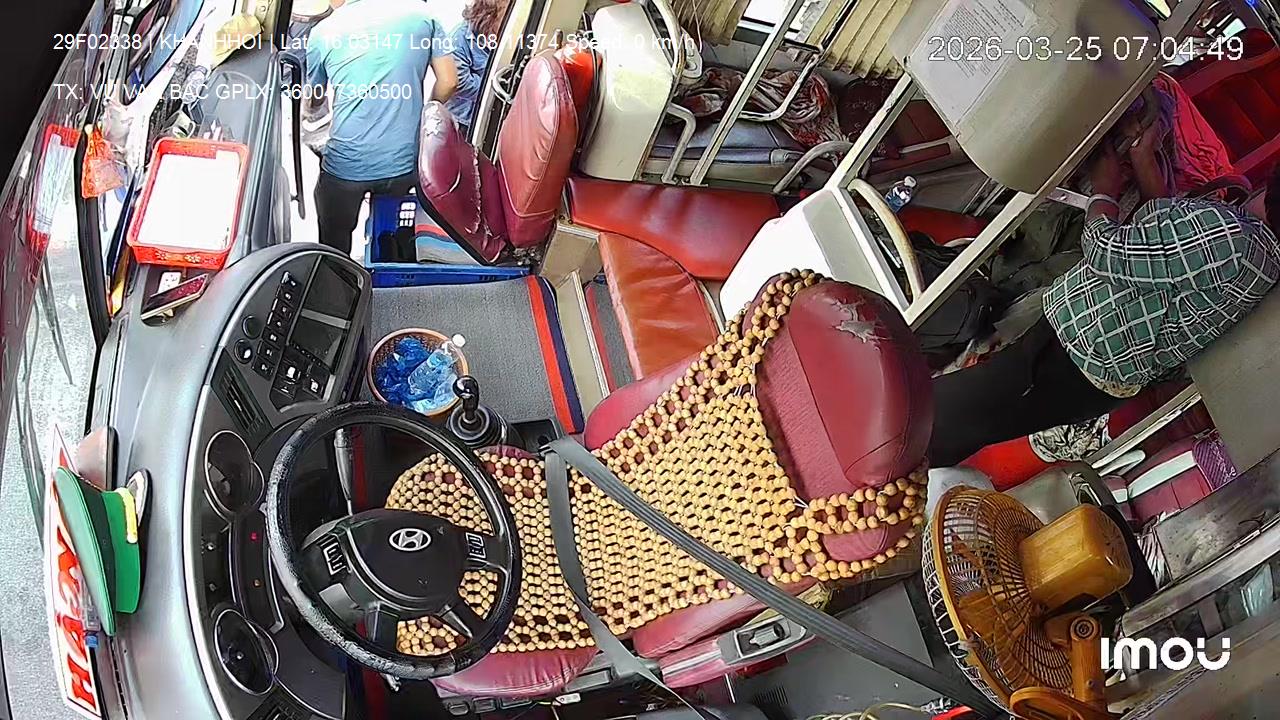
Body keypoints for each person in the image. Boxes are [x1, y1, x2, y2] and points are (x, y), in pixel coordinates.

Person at [928, 140, 1280, 467]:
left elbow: (1105, 253)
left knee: (939, 416)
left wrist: (1103, 191)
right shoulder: (1261, 259)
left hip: (1078, 355)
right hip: (1093, 370)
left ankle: (896, 463)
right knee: (966, 423)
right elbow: (1159, 241)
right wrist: (1143, 157)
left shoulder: (1234, 240)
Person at [306, 0, 458, 254]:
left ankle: (338, 271)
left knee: (333, 237)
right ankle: (389, 262)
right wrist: (424, 116)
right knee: (393, 234)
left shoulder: (323, 32)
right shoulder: (423, 16)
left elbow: (315, 97)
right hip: (404, 165)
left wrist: (311, 106)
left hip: (346, 167)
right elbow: (450, 81)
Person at [443, 0, 512, 136]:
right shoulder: (459, 38)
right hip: (463, 121)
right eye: (504, 16)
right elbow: (460, 82)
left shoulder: (503, 37)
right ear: (488, 16)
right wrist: (492, 85)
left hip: (491, 116)